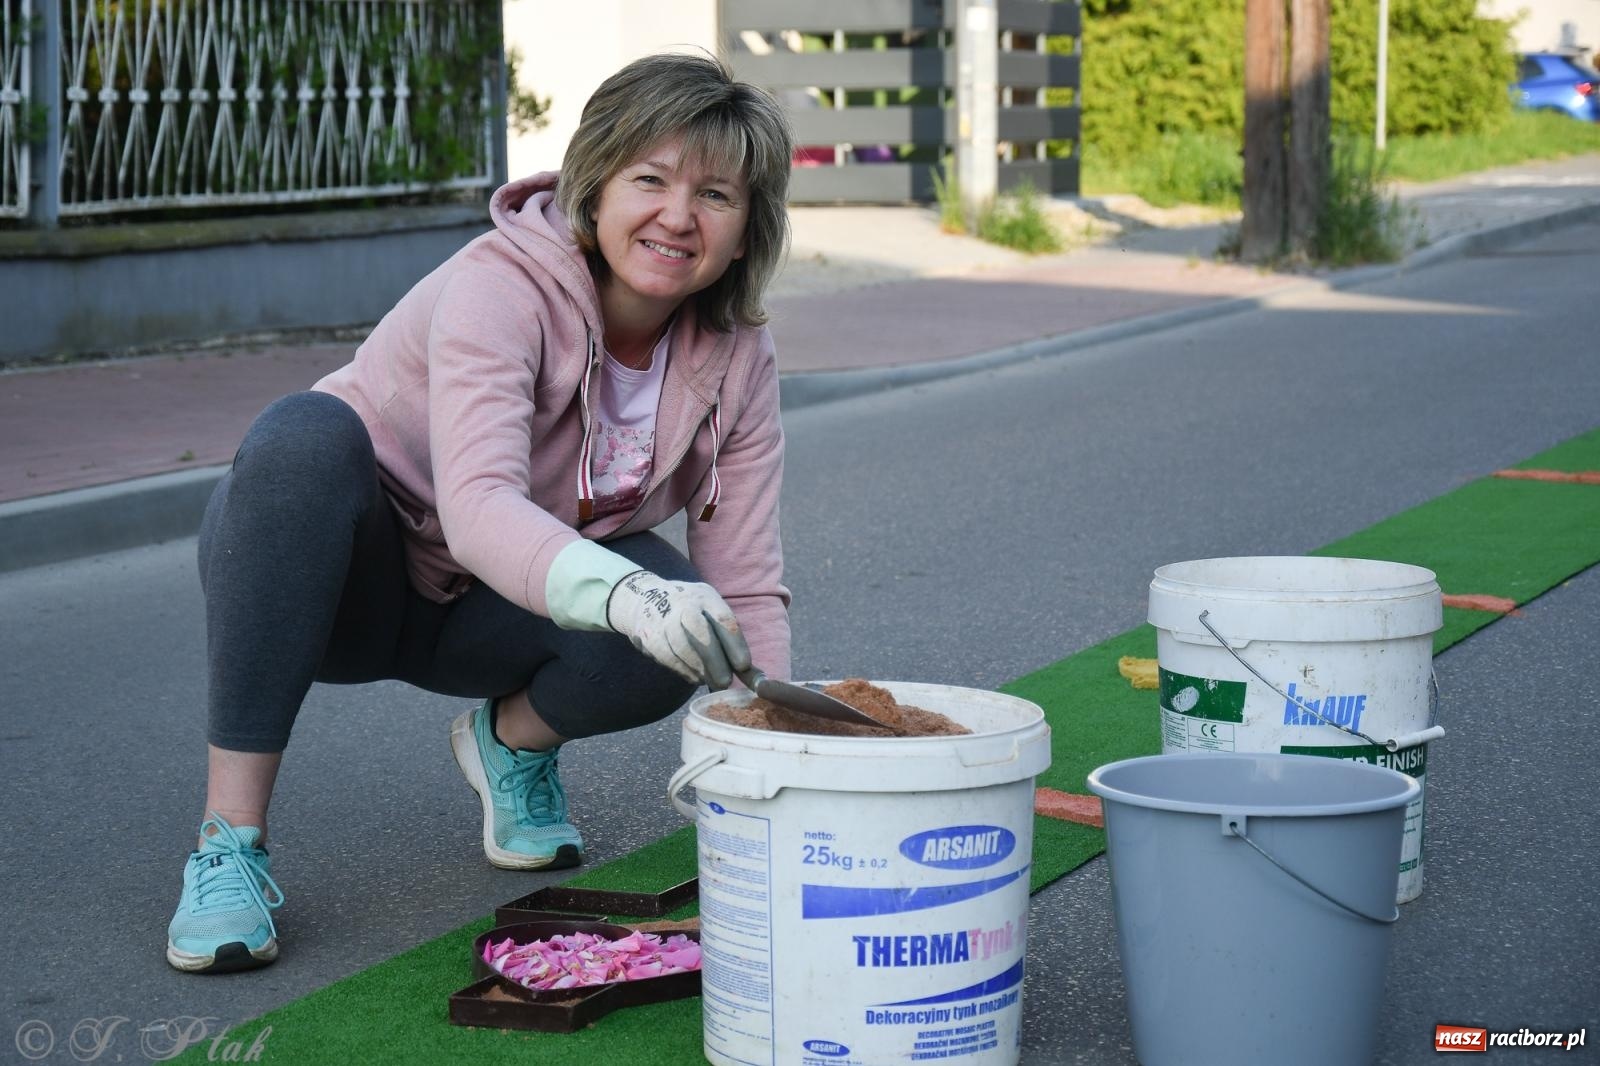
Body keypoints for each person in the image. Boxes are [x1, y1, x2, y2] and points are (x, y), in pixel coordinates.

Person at [165, 52, 795, 974]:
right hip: (337, 583)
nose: (677, 216)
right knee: (303, 435)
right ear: (593, 188)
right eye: (649, 180)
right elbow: (479, 504)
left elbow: (744, 574)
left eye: (716, 196)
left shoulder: (737, 356)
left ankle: (508, 745)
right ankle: (230, 842)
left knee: (697, 612)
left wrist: (789, 767)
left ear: (746, 231)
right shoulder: (500, 285)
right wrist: (625, 595)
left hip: (496, 616)